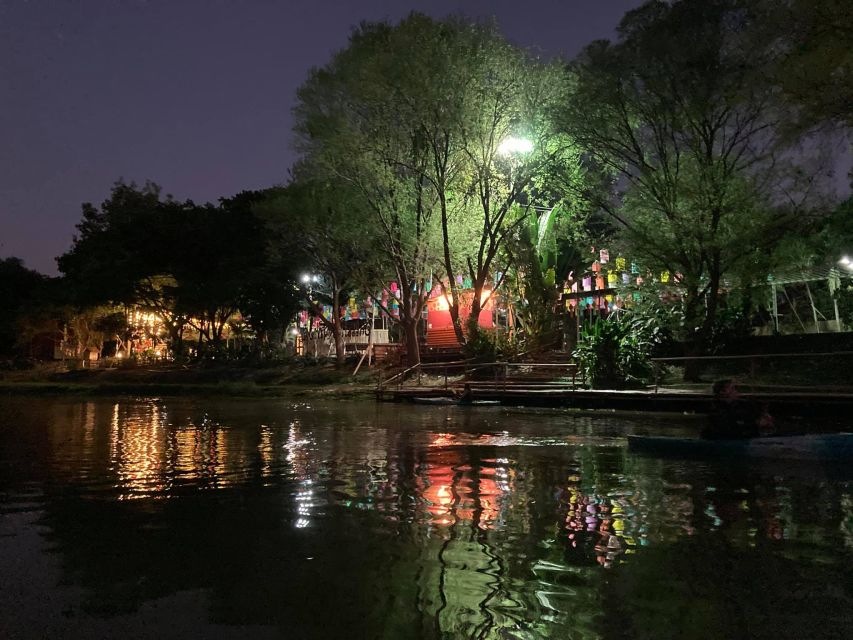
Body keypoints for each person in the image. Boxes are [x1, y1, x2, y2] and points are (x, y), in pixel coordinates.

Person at [702, 379, 767, 439]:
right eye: (732, 389)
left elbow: (753, 417)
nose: (736, 391)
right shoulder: (716, 409)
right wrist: (755, 424)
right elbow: (728, 428)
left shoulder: (743, 405)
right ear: (722, 392)